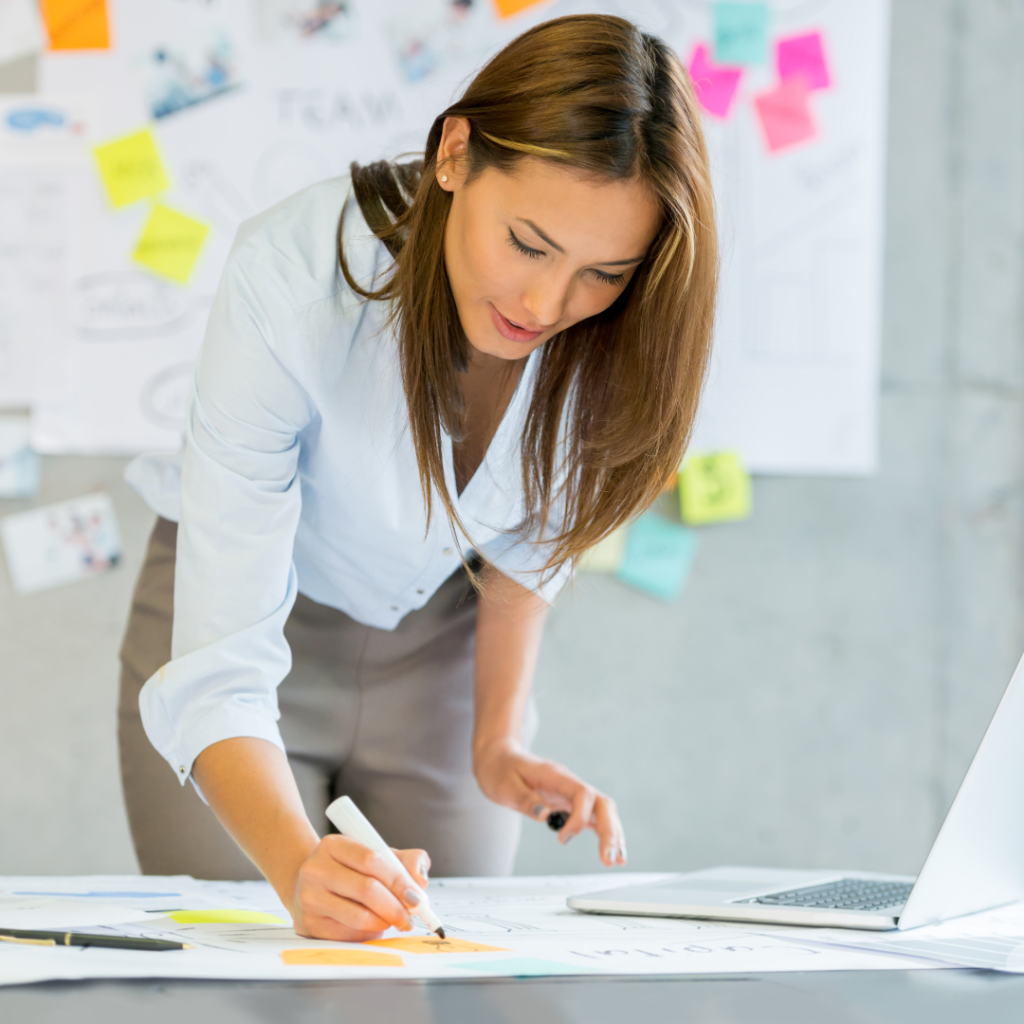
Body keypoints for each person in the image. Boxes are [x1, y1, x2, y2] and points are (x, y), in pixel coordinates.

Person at [117, 13, 717, 942]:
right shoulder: (292, 279)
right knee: (244, 971)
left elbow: (531, 541)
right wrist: (296, 866)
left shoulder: (623, 328)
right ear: (454, 154)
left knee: (445, 973)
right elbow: (220, 665)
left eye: (601, 272)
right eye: (528, 243)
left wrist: (497, 738)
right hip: (243, 616)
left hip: (438, 641)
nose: (546, 305)